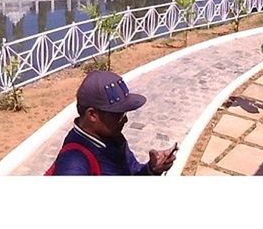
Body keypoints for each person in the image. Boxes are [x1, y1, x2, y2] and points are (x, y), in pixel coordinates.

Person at [45, 70, 178, 175]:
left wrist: (152, 169)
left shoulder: (114, 138)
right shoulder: (73, 164)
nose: (125, 120)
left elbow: (132, 172)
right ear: (92, 115)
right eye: (118, 115)